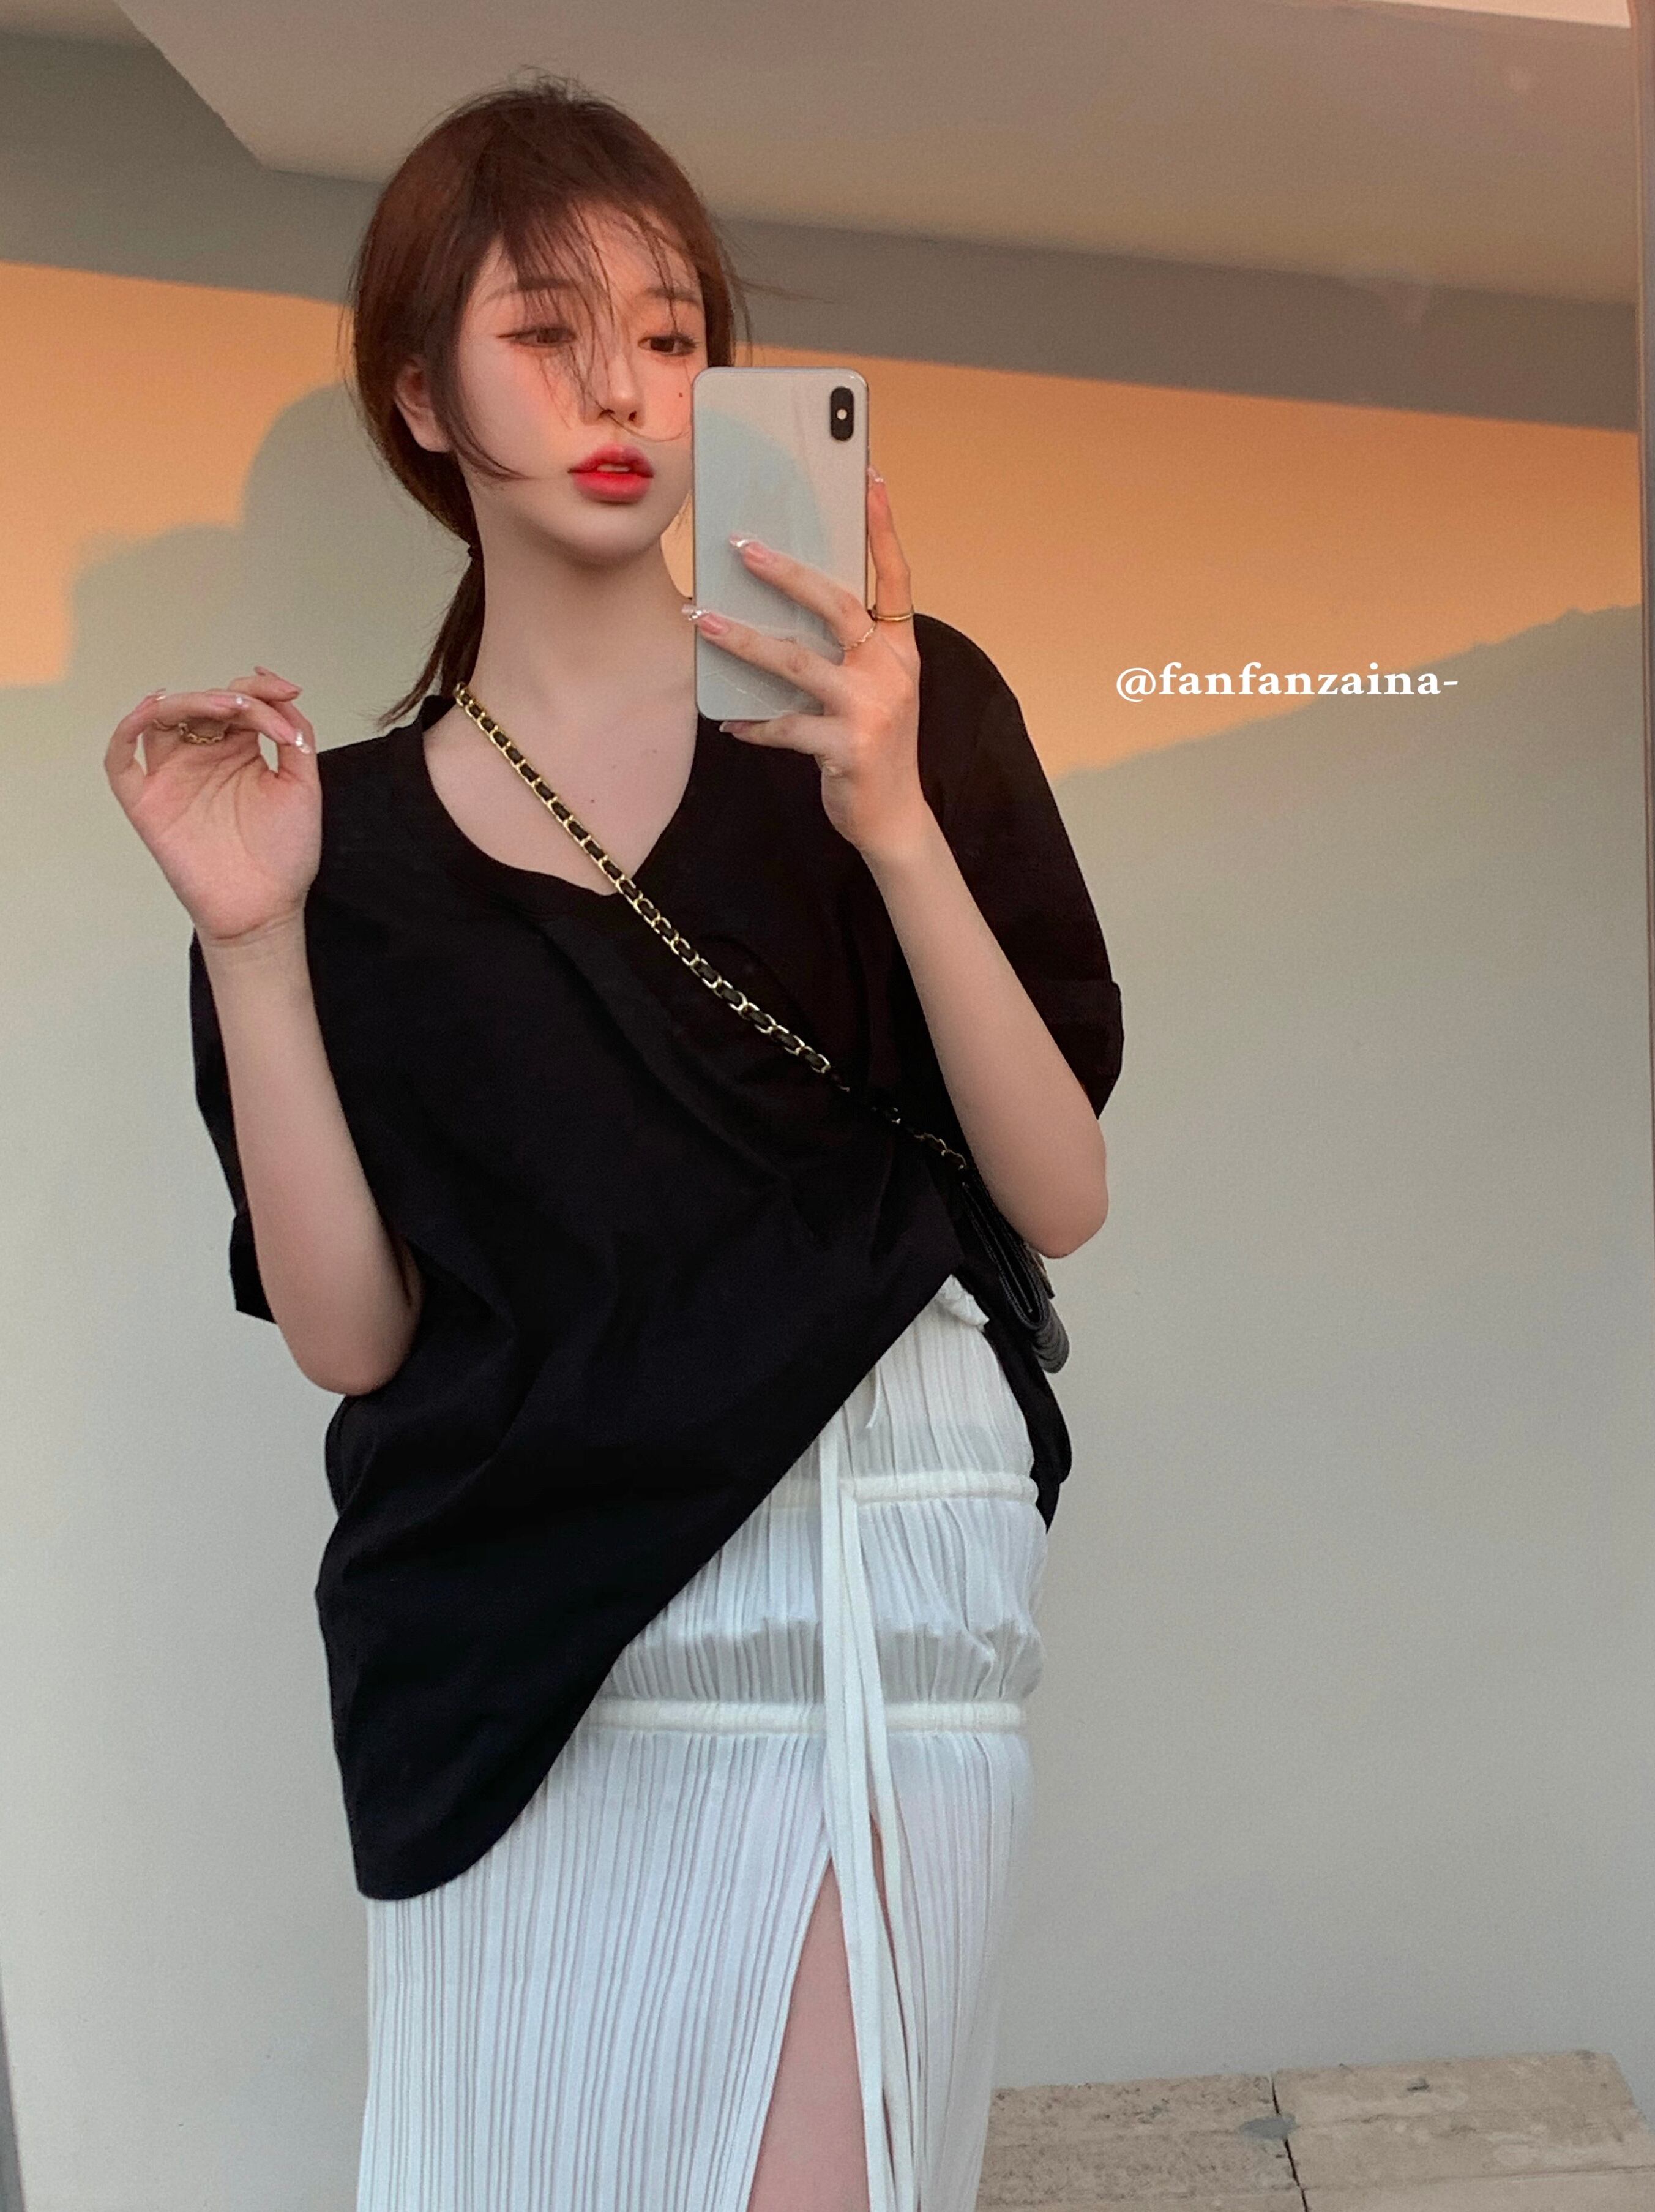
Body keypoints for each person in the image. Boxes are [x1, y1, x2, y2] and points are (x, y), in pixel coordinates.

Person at [104, 72, 1123, 2212]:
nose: (621, 390)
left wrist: (893, 819)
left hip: (854, 1566)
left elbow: (1059, 1191)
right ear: (420, 392)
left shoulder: (901, 708)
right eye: (546, 332)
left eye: (668, 335)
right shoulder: (335, 840)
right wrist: (256, 944)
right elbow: (354, 1341)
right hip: (511, 1651)